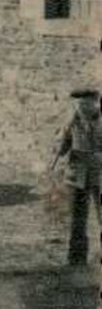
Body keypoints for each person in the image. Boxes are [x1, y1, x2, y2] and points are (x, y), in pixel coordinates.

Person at [52, 88, 102, 266]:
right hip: (77, 176)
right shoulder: (71, 122)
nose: (82, 108)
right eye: (79, 105)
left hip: (99, 173)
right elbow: (61, 150)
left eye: (87, 104)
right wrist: (64, 131)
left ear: (95, 103)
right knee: (77, 220)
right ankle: (76, 260)